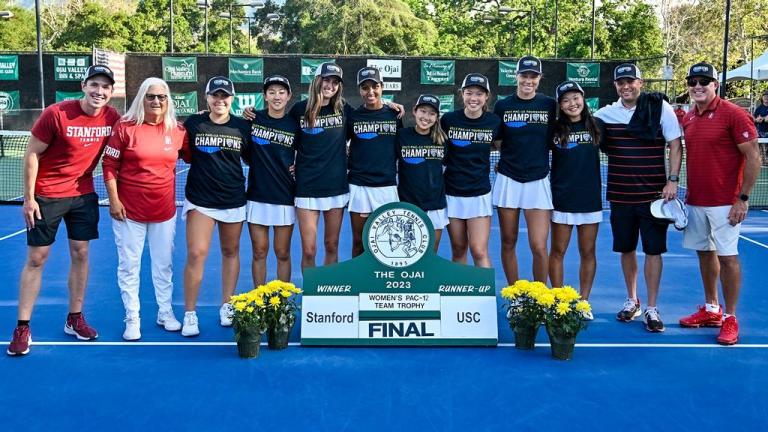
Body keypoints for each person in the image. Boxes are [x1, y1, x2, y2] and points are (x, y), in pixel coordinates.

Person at [7, 65, 120, 356]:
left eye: (105, 87)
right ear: (84, 85)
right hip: (47, 195)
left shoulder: (112, 117)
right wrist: (29, 198)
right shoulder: (57, 114)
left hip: (83, 196)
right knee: (37, 258)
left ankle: (75, 318)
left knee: (81, 253)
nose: (99, 91)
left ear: (111, 92)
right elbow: (32, 152)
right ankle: (22, 326)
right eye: (94, 84)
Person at [594, 63, 682, 332]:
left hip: (655, 197)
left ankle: (652, 308)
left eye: (630, 81)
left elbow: (675, 144)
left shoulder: (660, 109)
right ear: (616, 86)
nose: (626, 86)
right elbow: (580, 129)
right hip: (620, 196)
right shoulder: (605, 114)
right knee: (627, 249)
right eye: (621, 83)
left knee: (653, 251)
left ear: (640, 83)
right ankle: (632, 300)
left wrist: (673, 180)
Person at [678, 62, 761, 345]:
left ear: (716, 85)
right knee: (705, 253)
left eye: (704, 81)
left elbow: (753, 158)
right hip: (696, 200)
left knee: (728, 258)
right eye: (693, 82)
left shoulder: (734, 115)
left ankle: (731, 318)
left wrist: (743, 199)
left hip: (726, 203)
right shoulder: (689, 117)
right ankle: (712, 308)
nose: (698, 86)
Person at [102, 77, 188, 341]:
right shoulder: (125, 127)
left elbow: (198, 157)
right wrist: (114, 200)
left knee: (163, 266)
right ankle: (133, 318)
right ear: (142, 97)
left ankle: (165, 312)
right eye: (151, 96)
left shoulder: (178, 131)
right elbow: (109, 165)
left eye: (162, 97)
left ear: (168, 100)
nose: (156, 101)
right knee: (129, 266)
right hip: (129, 212)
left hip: (164, 211)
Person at [181, 76, 251, 337]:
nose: (220, 100)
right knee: (197, 253)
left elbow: (257, 158)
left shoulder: (243, 126)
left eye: (225, 96)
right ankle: (190, 313)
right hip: (201, 200)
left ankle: (227, 305)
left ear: (232, 99)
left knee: (230, 252)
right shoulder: (194, 123)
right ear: (207, 97)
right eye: (215, 95)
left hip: (233, 198)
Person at [492, 56, 557, 284]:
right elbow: (497, 141)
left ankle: (539, 297)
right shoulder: (502, 105)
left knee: (539, 246)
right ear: (517, 76)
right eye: (524, 75)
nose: (528, 80)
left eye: (533, 76)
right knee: (508, 242)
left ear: (539, 79)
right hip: (508, 179)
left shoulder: (549, 105)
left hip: (538, 180)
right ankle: (517, 295)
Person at [547, 81, 602, 319]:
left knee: (587, 251)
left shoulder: (598, 126)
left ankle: (583, 302)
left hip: (589, 199)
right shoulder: (554, 129)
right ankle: (559, 300)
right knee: (558, 251)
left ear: (583, 99)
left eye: (576, 98)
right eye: (566, 100)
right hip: (562, 199)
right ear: (560, 105)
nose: (572, 104)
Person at [289, 62, 351, 271]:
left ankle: (328, 294)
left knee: (331, 245)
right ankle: (311, 294)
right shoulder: (299, 110)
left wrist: (390, 106)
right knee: (309, 249)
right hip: (307, 186)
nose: (330, 86)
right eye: (327, 80)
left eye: (335, 82)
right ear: (317, 81)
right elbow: (282, 137)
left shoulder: (344, 109)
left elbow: (370, 117)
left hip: (336, 186)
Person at [441, 73, 501, 268]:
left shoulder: (494, 122)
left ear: (486, 97)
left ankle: (485, 297)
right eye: (469, 93)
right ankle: (461, 296)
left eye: (479, 94)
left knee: (479, 250)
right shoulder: (448, 120)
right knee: (458, 249)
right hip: (452, 193)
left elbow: (504, 149)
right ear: (462, 94)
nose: (473, 98)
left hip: (479, 194)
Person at [245, 75, 299, 285]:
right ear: (265, 96)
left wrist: (300, 167)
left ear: (288, 96)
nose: (277, 96)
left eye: (281, 92)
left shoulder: (295, 125)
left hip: (285, 195)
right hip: (257, 195)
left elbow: (309, 151)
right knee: (259, 252)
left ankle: (282, 305)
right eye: (272, 92)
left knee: (282, 252)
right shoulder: (253, 119)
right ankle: (260, 303)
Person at [347, 67, 402, 257]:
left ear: (382, 87)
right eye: (365, 87)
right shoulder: (352, 116)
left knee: (387, 243)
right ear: (359, 90)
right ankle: (358, 283)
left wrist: (390, 104)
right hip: (359, 187)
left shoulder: (395, 115)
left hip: (386, 187)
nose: (370, 91)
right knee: (359, 242)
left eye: (375, 86)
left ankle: (383, 285)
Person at [397, 94, 448, 251]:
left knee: (430, 255)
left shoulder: (443, 141)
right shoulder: (401, 136)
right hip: (407, 206)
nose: (426, 117)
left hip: (435, 206)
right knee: (407, 253)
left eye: (432, 113)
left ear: (437, 117)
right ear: (414, 111)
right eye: (423, 111)